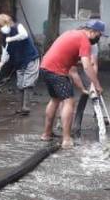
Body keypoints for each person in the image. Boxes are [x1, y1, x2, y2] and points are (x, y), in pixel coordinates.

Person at [38, 20, 105, 148]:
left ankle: (46, 134)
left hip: (44, 68)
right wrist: (97, 85)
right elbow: (86, 65)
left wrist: (82, 88)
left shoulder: (71, 34)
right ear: (93, 31)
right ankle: (67, 139)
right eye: (99, 35)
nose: (99, 38)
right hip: (56, 71)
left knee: (55, 99)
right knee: (69, 102)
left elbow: (72, 69)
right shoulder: (84, 41)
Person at [0, 14, 40, 115]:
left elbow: (24, 35)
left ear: (7, 22)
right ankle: (20, 107)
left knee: (28, 82)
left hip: (30, 58)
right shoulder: (4, 38)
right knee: (20, 84)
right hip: (19, 62)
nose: (1, 29)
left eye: (1, 26)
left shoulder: (18, 27)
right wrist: (2, 61)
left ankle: (26, 107)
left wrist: (12, 39)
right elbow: (6, 53)